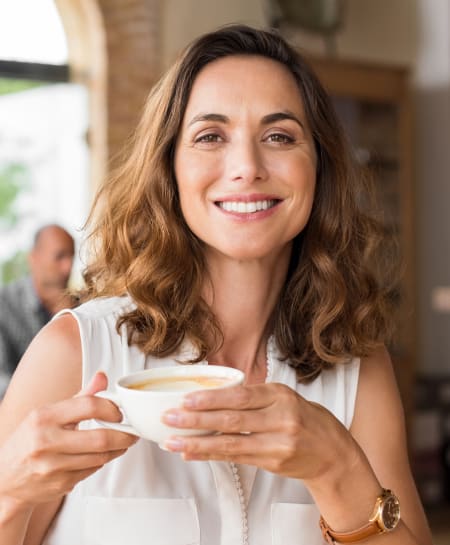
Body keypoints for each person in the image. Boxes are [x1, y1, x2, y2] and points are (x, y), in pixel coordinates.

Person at [0, 25, 433, 545]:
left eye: (279, 136)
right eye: (210, 136)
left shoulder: (357, 368)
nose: (247, 168)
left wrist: (336, 467)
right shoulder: (75, 351)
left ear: (319, 166)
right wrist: (10, 492)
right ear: (169, 167)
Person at [0, 224, 75, 398]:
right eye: (60, 256)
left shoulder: (79, 307)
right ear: (33, 258)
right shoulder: (5, 305)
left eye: (72, 257)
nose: (68, 267)